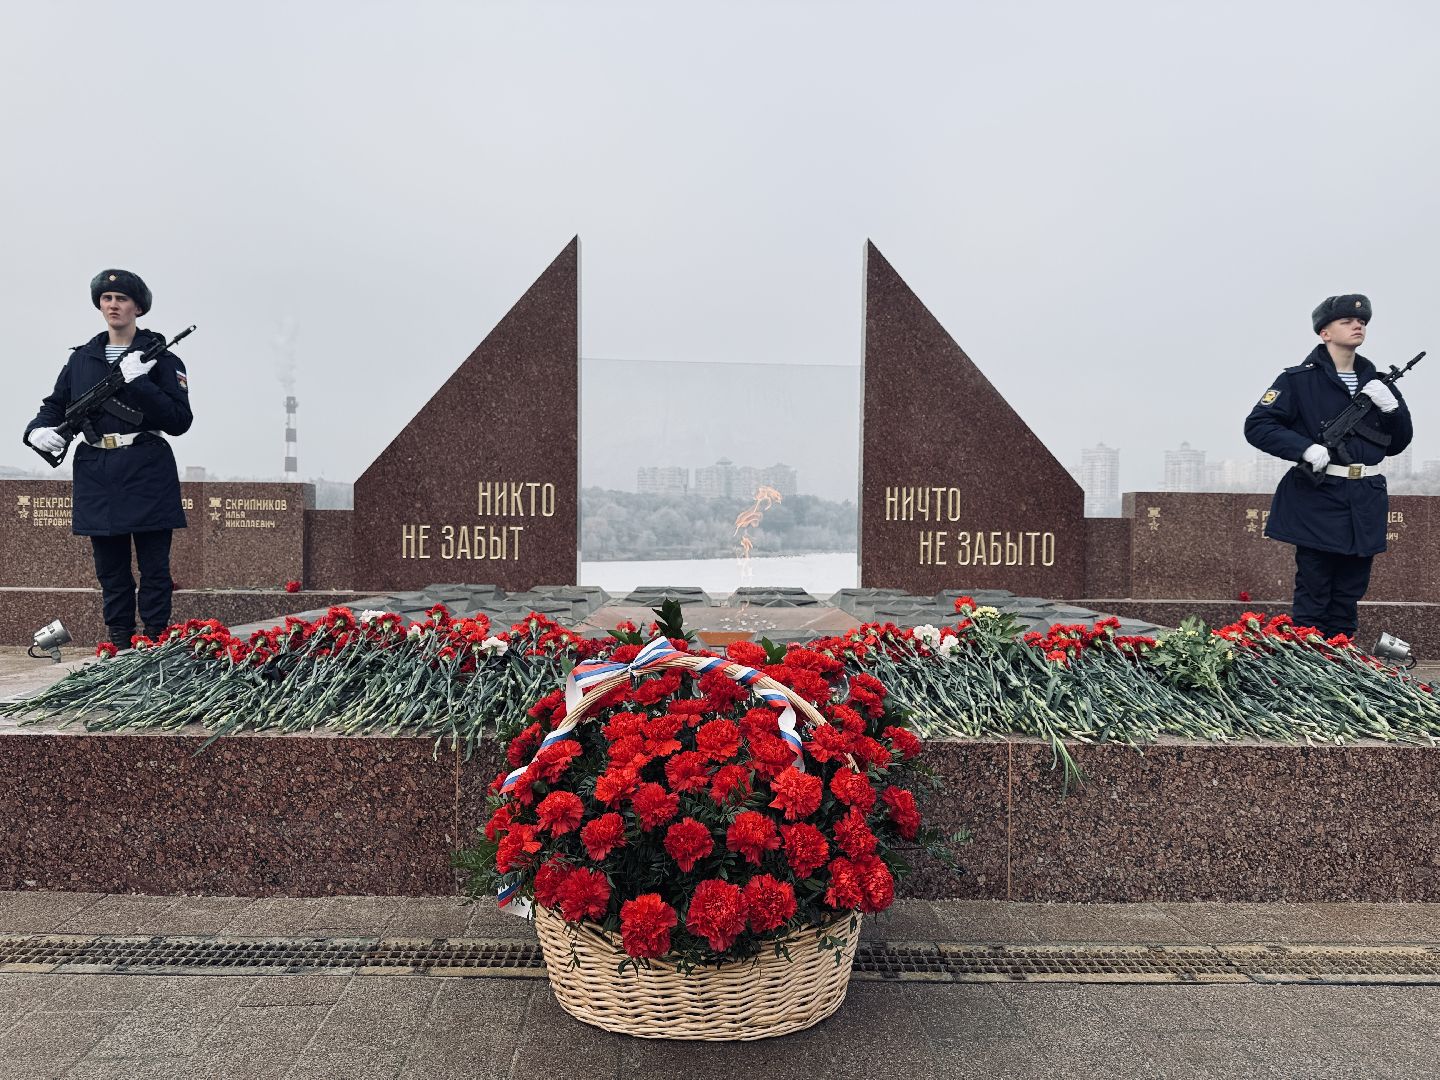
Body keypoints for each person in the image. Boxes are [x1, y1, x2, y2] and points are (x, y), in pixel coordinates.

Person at [23, 269, 193, 650]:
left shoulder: (162, 360)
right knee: (111, 571)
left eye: (121, 299)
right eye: (107, 299)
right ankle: (118, 642)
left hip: (147, 467)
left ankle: (154, 641)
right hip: (97, 471)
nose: (113, 305)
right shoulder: (82, 359)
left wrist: (141, 383)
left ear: (137, 307)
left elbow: (180, 421)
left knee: (154, 568)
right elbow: (55, 405)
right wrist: (36, 430)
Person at [1244, 294, 1413, 640]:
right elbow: (1258, 425)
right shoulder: (1297, 380)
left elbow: (1398, 443)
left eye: (1362, 322)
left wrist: (1392, 409)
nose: (1357, 325)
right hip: (1318, 496)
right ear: (1324, 332)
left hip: (1364, 498)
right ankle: (1311, 662)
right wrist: (1304, 448)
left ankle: (1342, 655)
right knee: (1314, 588)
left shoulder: (1378, 384)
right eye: (1347, 322)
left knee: (1350, 591)